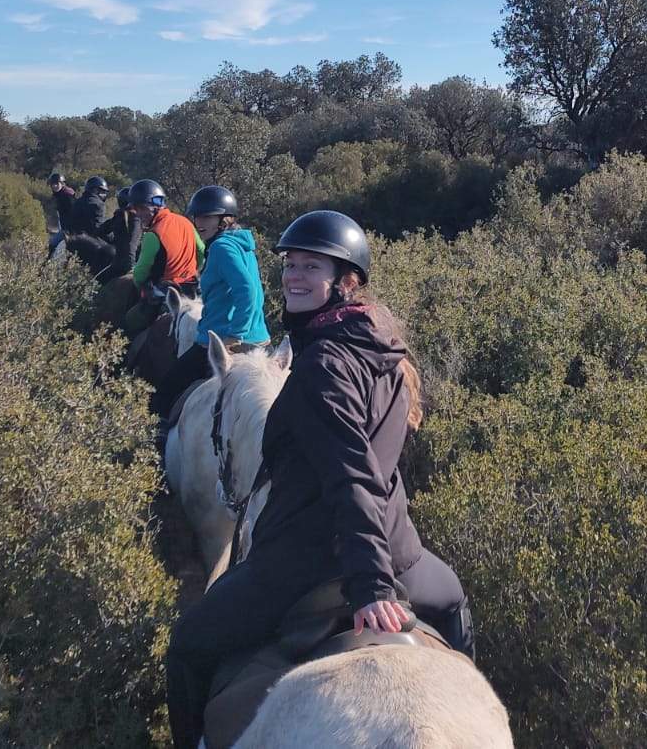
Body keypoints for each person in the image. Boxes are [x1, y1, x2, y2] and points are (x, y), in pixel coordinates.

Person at [164, 210, 474, 749]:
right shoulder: (386, 353)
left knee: (188, 647)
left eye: (311, 267)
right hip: (402, 546)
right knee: (453, 603)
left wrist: (371, 586)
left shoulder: (323, 366)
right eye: (289, 265)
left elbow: (351, 473)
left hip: (308, 557)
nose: (293, 276)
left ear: (345, 281)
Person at [148, 185, 270, 418]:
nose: (198, 222)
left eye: (206, 216)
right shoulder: (242, 245)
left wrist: (235, 335)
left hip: (222, 339)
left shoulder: (222, 247)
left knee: (163, 395)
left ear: (224, 219)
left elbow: (247, 290)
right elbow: (255, 291)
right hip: (260, 341)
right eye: (196, 216)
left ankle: (160, 444)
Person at [122, 179, 205, 334]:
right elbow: (201, 250)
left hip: (166, 291)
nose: (138, 214)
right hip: (193, 287)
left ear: (155, 206)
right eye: (135, 209)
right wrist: (193, 269)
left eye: (141, 208)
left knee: (131, 320)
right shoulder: (186, 222)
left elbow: (141, 271)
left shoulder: (153, 234)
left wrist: (140, 285)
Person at [63, 176, 116, 274]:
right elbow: (98, 229)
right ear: (95, 190)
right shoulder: (98, 205)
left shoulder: (78, 201)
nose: (104, 195)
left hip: (73, 239)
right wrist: (114, 238)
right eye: (102, 191)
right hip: (88, 242)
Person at [47, 172, 75, 253]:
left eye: (56, 183)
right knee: (52, 243)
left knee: (53, 244)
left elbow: (73, 213)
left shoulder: (67, 195)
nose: (54, 186)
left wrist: (68, 230)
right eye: (52, 184)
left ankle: (47, 263)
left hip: (70, 229)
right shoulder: (59, 195)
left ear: (62, 183)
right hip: (65, 228)